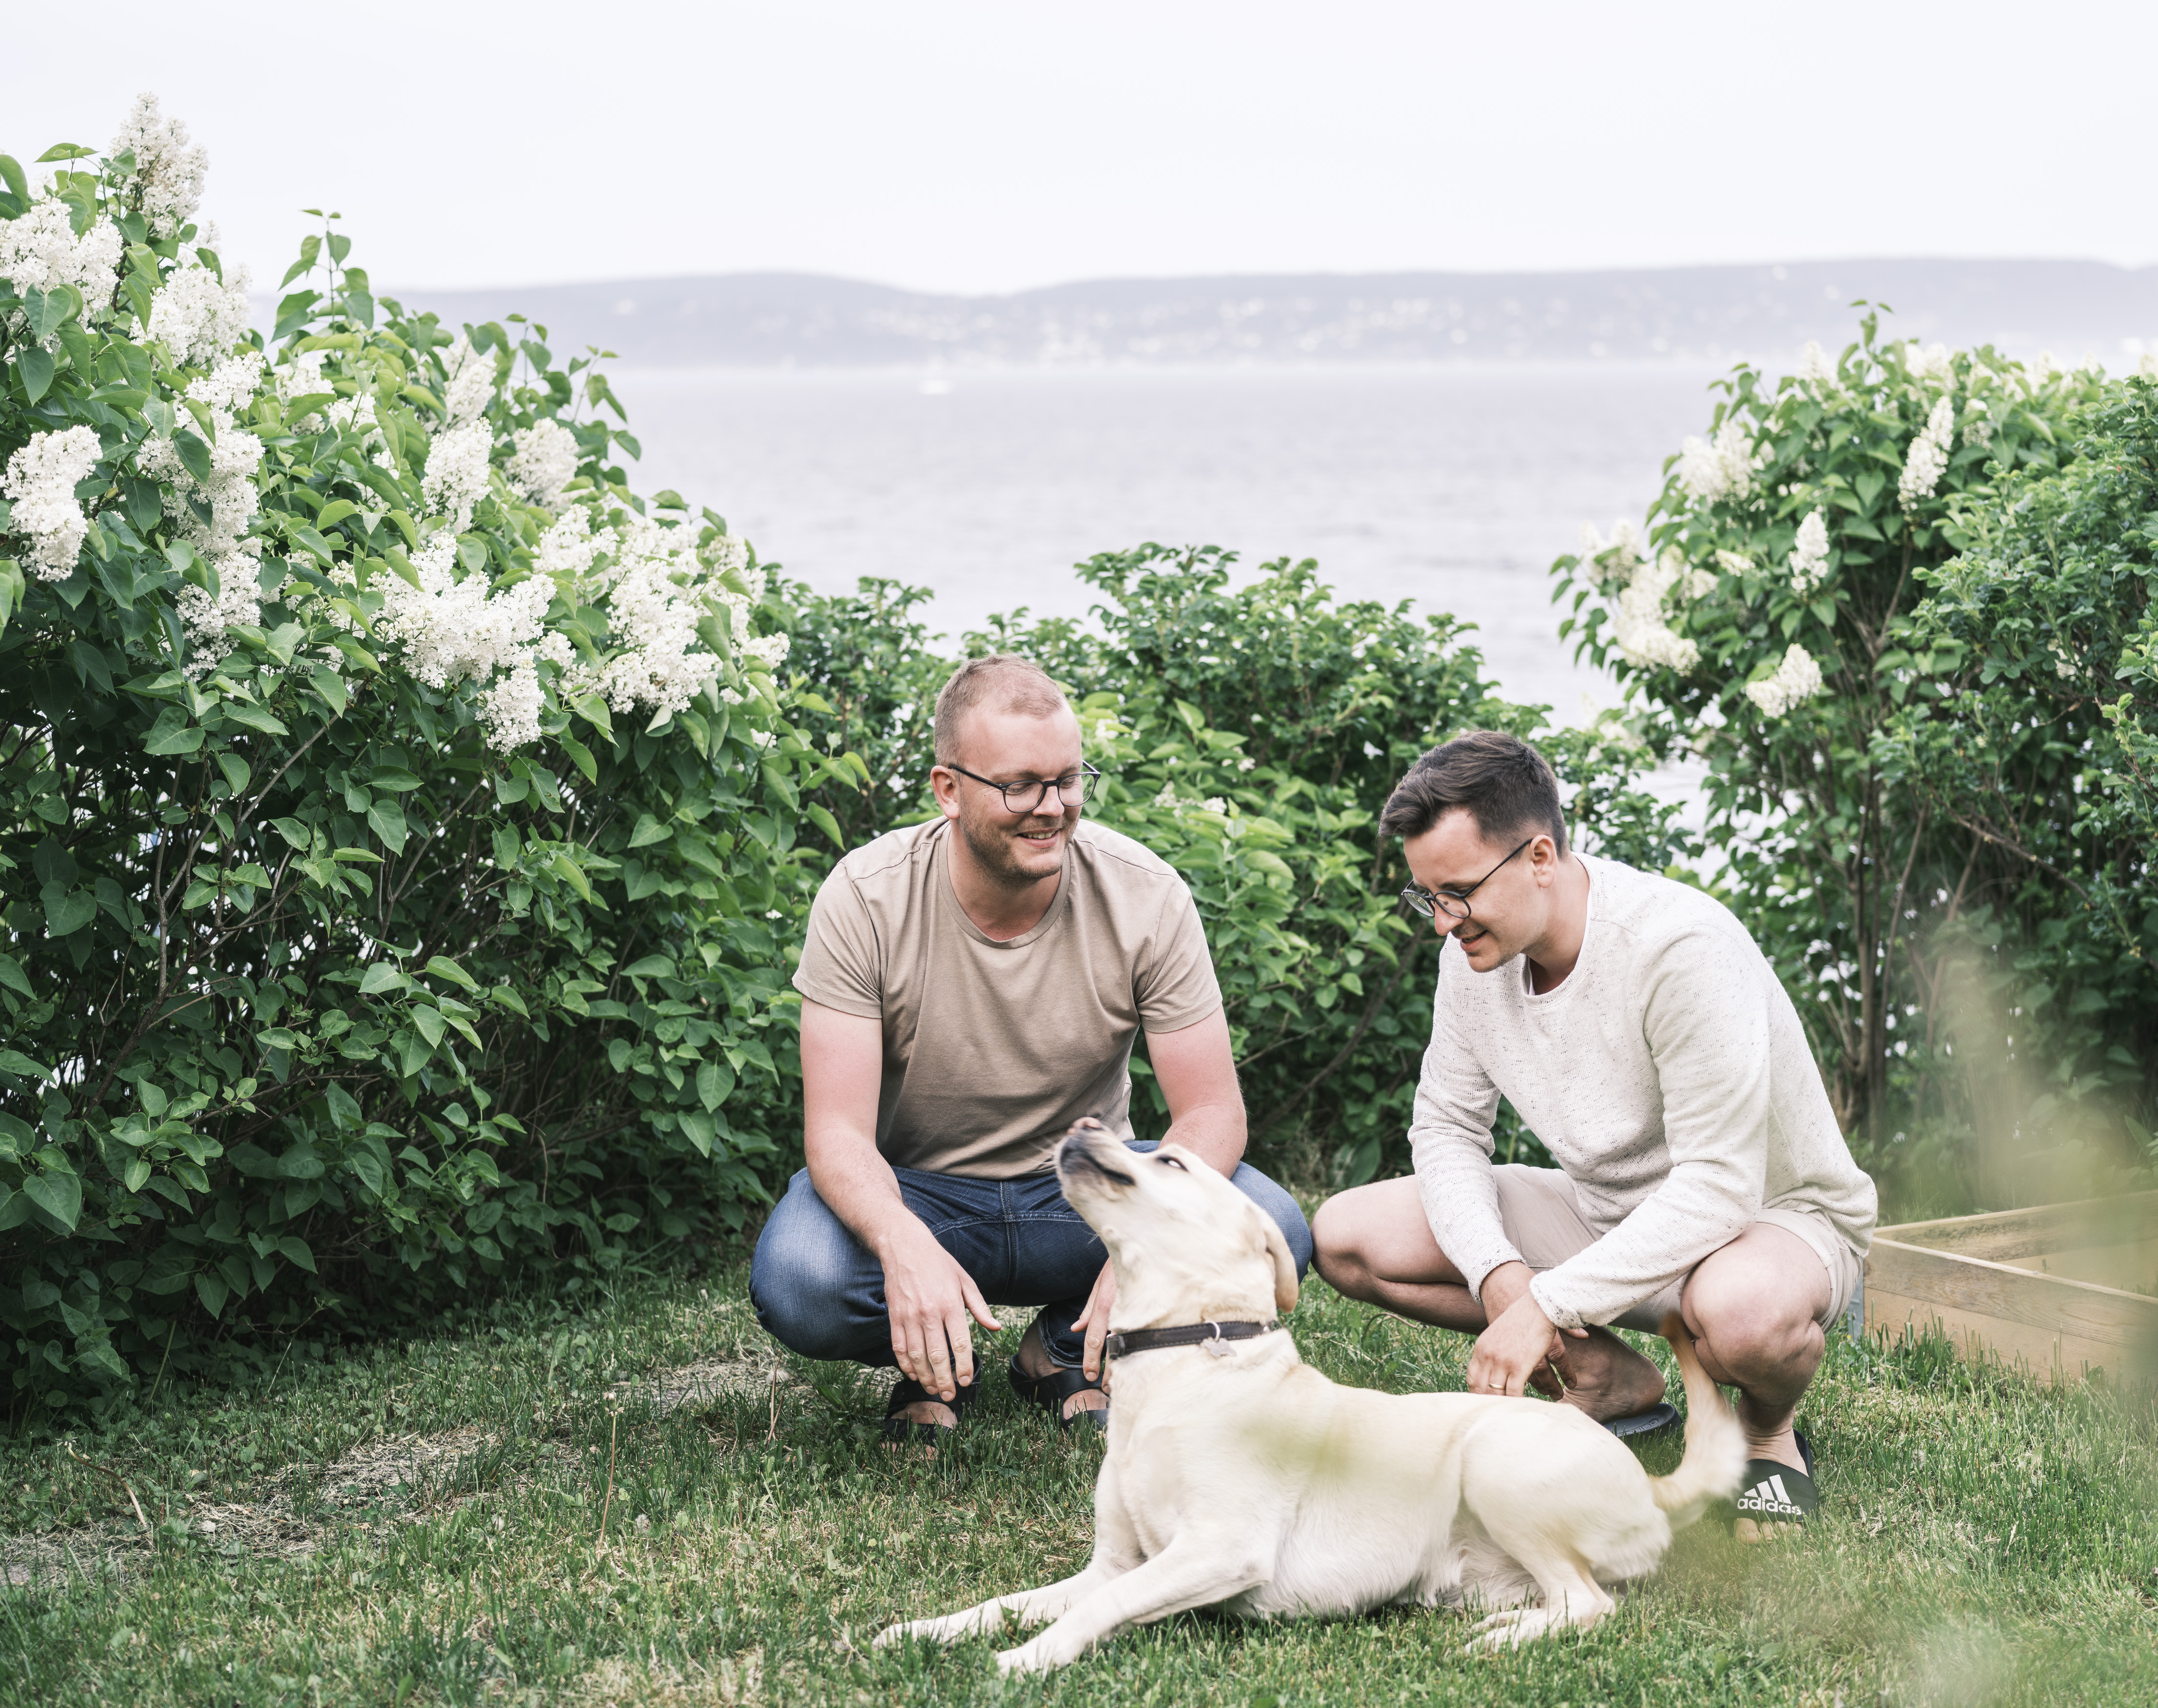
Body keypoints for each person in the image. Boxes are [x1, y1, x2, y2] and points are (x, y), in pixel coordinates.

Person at [1311, 730, 1875, 1538]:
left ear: (1539, 855)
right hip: (1603, 1213)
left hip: (1764, 1225)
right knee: (1347, 1236)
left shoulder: (1678, 947)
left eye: (1457, 892)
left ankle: (1764, 1428)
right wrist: (1499, 1273)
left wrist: (1547, 1299)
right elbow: (1444, 1128)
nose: (1441, 922)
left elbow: (1718, 1186)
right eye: (1426, 897)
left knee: (1741, 1313)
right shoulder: (1475, 950)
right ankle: (1609, 1380)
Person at [750, 653, 1312, 1439]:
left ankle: (1057, 1347)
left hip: (1082, 1194)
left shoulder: (1145, 894)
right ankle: (936, 1362)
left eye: (1068, 779)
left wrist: (1148, 1237)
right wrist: (901, 1242)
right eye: (1020, 785)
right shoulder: (865, 894)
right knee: (803, 1278)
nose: (1051, 807)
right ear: (948, 789)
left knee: (1274, 1229)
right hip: (925, 1195)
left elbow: (1213, 1111)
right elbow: (836, 1133)